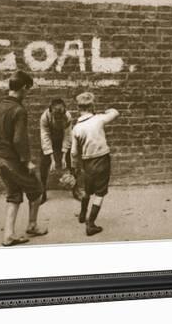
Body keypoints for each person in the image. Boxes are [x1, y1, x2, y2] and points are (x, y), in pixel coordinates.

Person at [0, 71, 48, 246]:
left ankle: (8, 235)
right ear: (24, 88)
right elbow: (19, 139)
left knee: (14, 195)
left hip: (1, 160)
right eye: (28, 90)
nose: (27, 94)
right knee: (37, 191)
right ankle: (32, 225)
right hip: (14, 162)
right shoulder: (19, 110)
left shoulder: (1, 106)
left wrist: (3, 151)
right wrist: (27, 161)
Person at [71, 92, 119, 236]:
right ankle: (90, 224)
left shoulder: (76, 128)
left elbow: (73, 152)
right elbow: (115, 112)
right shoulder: (99, 119)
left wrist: (74, 167)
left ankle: (82, 214)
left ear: (78, 108)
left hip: (87, 163)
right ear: (92, 105)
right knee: (100, 193)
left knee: (87, 190)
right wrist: (105, 111)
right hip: (102, 160)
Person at [39, 99, 82, 201]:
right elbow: (45, 137)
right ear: (50, 111)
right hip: (50, 140)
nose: (58, 118)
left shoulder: (67, 116)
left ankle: (75, 189)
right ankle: (42, 192)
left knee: (72, 160)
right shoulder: (44, 117)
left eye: (60, 116)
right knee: (43, 164)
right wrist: (52, 159)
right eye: (56, 116)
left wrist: (63, 156)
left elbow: (68, 136)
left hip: (63, 139)